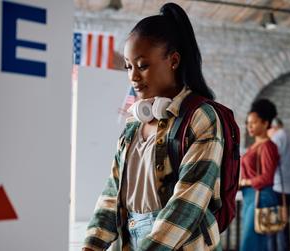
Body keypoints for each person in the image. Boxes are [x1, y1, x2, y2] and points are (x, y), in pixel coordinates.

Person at [82, 3, 225, 250]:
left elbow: (187, 204)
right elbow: (112, 193)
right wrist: (90, 245)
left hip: (183, 242)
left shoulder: (201, 118)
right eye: (128, 66)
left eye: (142, 65)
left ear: (174, 61)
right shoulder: (134, 123)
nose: (133, 76)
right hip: (135, 238)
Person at [240, 99, 280, 251]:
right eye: (248, 122)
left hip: (261, 196)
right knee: (254, 243)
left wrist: (245, 182)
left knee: (250, 244)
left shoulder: (268, 147)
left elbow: (267, 177)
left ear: (265, 123)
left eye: (254, 122)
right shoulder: (255, 145)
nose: (249, 126)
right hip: (251, 196)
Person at [267, 118, 290, 251]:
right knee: (284, 226)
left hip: (276, 187)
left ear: (273, 127)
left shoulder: (276, 139)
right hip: (289, 188)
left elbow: (270, 166)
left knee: (272, 229)